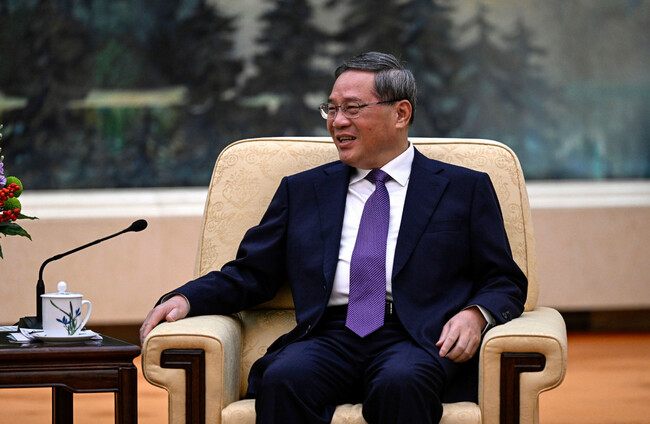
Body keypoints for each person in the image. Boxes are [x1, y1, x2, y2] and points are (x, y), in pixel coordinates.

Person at [140, 51, 527, 424]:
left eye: (353, 108)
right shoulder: (303, 190)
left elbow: (504, 279)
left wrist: (475, 315)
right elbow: (252, 273)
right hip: (330, 333)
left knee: (401, 383)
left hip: (416, 336)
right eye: (331, 108)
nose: (337, 121)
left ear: (401, 113)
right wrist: (186, 298)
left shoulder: (463, 189)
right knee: (283, 378)